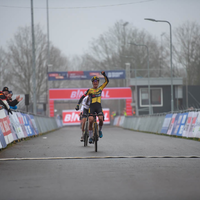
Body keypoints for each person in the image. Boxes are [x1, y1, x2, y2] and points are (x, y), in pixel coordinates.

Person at [75, 71, 109, 144]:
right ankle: (90, 137)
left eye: (96, 81)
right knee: (90, 120)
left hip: (99, 107)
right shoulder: (90, 90)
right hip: (92, 108)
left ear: (98, 82)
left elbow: (107, 81)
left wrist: (104, 75)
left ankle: (99, 130)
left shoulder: (101, 88)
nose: (95, 83)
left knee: (101, 119)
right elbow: (82, 97)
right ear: (92, 83)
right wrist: (78, 104)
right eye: (94, 82)